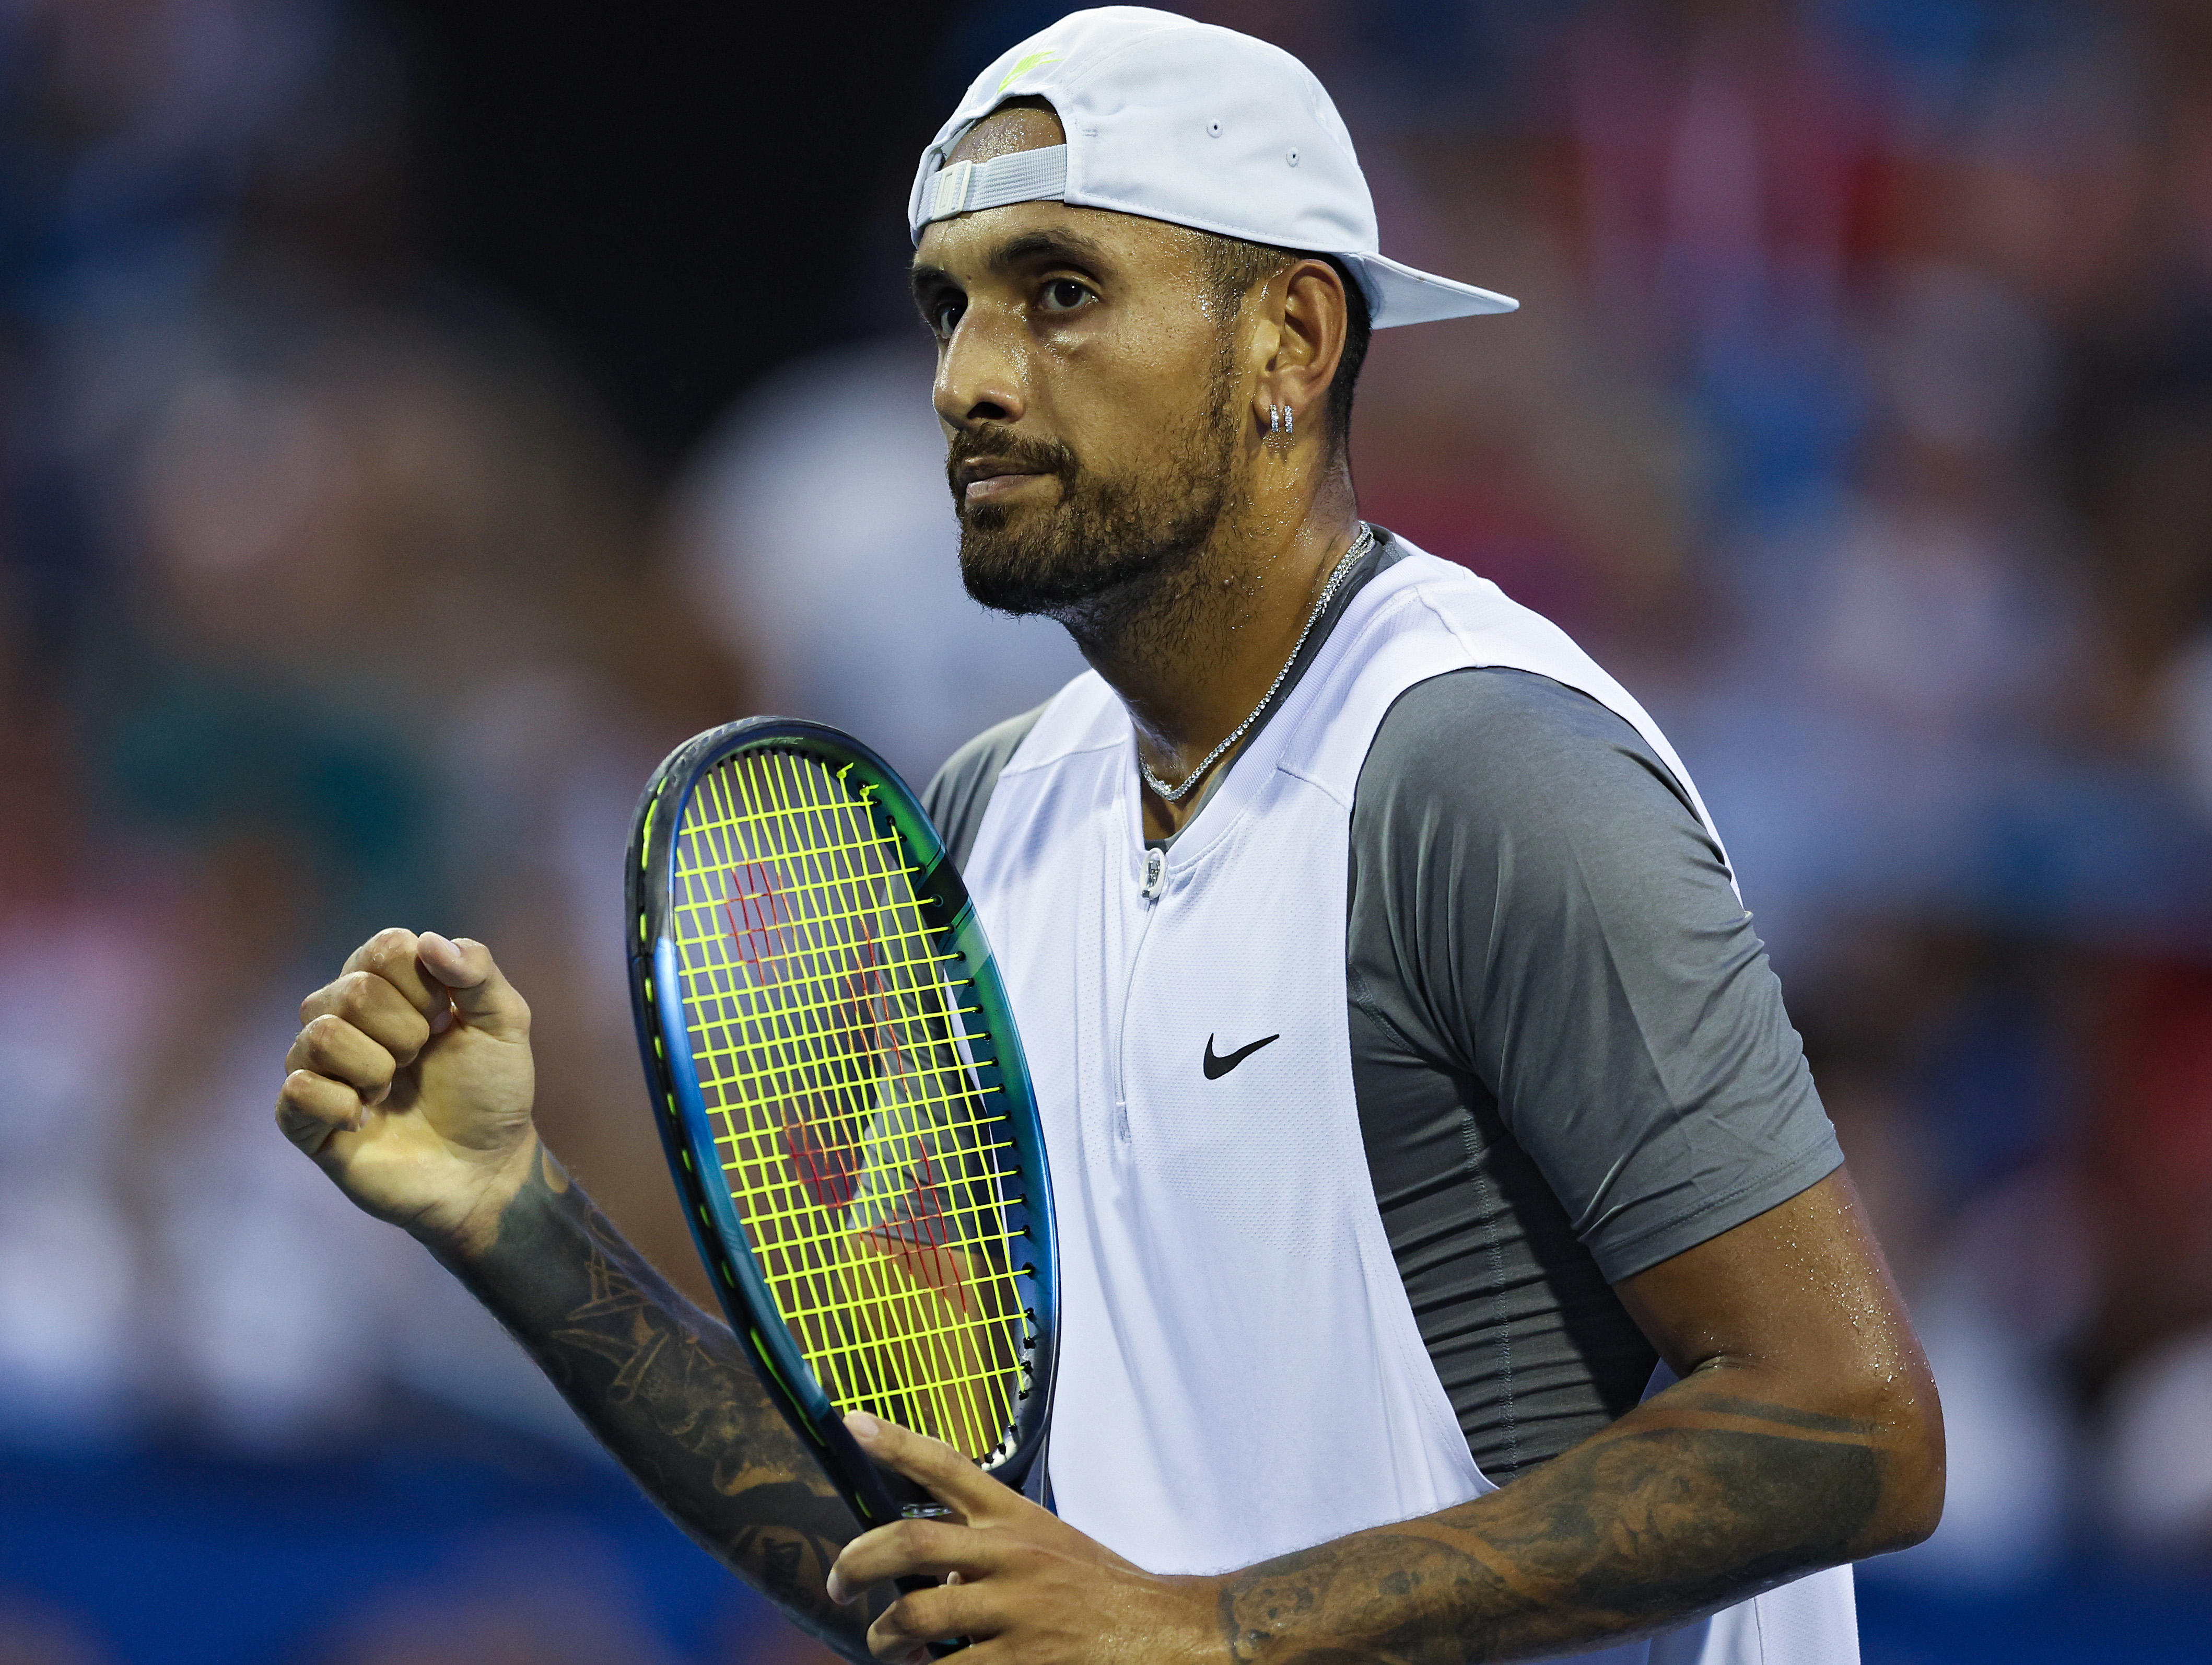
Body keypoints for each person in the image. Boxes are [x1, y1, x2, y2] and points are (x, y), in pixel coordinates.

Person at [276, 10, 1940, 1662]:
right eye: (948, 305)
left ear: (1290, 338)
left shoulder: (1481, 771)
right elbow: (919, 1548)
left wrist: (1207, 1627)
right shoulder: (990, 809)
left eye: (1057, 294)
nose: (966, 379)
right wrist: (512, 1215)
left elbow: (1852, 1424)